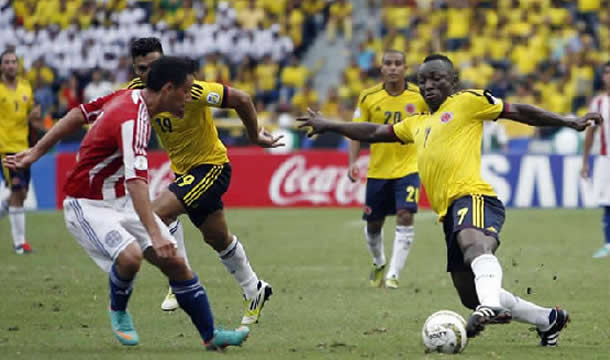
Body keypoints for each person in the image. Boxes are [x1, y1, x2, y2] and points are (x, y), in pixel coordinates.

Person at [297, 54, 602, 345]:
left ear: (452, 81)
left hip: (474, 196)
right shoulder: (416, 123)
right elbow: (375, 130)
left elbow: (520, 111)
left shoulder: (468, 102)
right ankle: (548, 319)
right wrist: (331, 124)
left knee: (475, 244)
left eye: (436, 79)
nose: (428, 85)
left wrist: (568, 121)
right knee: (470, 295)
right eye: (423, 80)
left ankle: (492, 306)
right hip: (448, 212)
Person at [3, 56, 249, 350]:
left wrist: (35, 151)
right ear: (168, 89)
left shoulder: (130, 97)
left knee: (176, 264)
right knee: (131, 257)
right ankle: (118, 309)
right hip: (87, 203)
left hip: (119, 200)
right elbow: (136, 182)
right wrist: (156, 233)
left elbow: (78, 114)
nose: (189, 97)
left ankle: (210, 335)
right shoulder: (134, 120)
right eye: (186, 91)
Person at [101, 38, 282, 323]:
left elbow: (242, 99)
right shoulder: (135, 94)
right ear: (134, 70)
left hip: (211, 167)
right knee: (217, 238)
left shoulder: (191, 90)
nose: (148, 73)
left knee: (156, 213)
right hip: (184, 173)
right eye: (141, 68)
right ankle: (254, 288)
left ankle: (178, 279)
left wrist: (254, 135)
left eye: (154, 65)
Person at [348, 50, 427, 289]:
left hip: (410, 168)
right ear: (382, 68)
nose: (393, 68)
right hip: (378, 171)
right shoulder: (368, 97)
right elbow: (355, 131)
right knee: (374, 224)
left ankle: (393, 273)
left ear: (405, 68)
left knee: (406, 214)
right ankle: (379, 261)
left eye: (398, 64)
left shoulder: (419, 96)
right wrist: (352, 162)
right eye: (388, 64)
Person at [0, 49, 42, 254]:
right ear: (1, 66)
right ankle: (20, 244)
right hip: (5, 149)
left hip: (24, 149)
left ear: (18, 65)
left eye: (13, 62)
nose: (10, 65)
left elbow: (30, 119)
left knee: (22, 194)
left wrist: (35, 116)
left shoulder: (25, 88)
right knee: (18, 191)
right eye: (6, 62)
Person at [582, 61, 610, 259]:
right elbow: (590, 133)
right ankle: (608, 245)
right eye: (606, 72)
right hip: (605, 159)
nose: (608, 76)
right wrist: (585, 161)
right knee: (607, 203)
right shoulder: (598, 103)